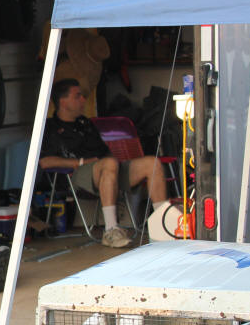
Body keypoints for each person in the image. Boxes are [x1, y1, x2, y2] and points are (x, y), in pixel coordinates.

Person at [39, 78, 169, 248]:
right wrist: (81, 161)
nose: (83, 100)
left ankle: (163, 225)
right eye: (78, 96)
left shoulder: (85, 123)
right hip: (77, 175)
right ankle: (111, 230)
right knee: (109, 163)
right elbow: (44, 162)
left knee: (152, 163)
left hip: (108, 169)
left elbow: (105, 153)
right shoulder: (50, 127)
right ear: (63, 102)